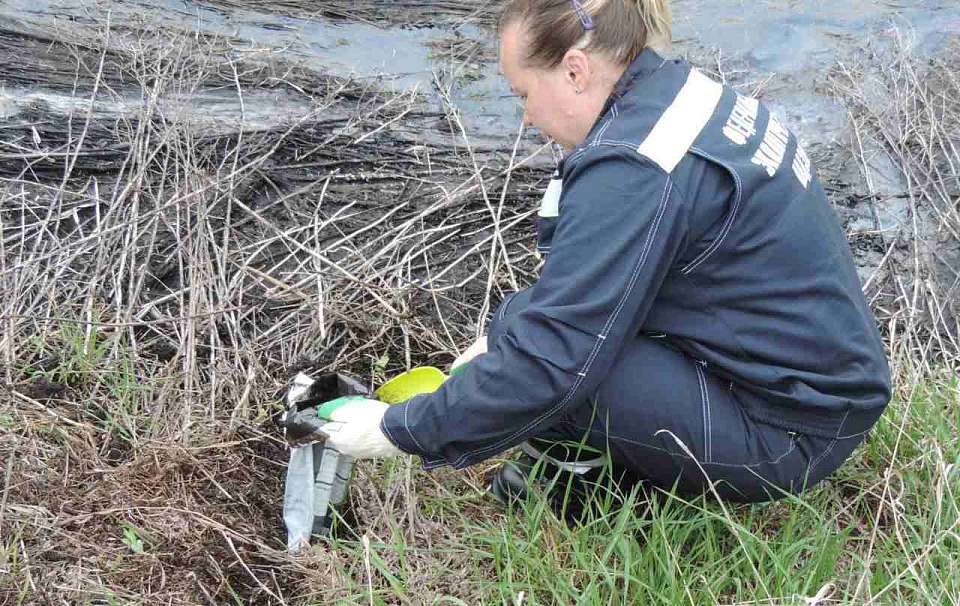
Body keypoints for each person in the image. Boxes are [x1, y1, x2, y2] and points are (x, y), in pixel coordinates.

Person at [319, 0, 891, 505]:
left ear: (574, 70)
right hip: (819, 385)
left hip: (789, 430)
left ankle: (582, 493)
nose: (525, 116)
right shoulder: (673, 92)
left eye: (523, 93)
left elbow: (550, 366)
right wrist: (499, 344)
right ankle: (592, 472)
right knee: (524, 324)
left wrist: (395, 430)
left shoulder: (636, 168)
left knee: (553, 375)